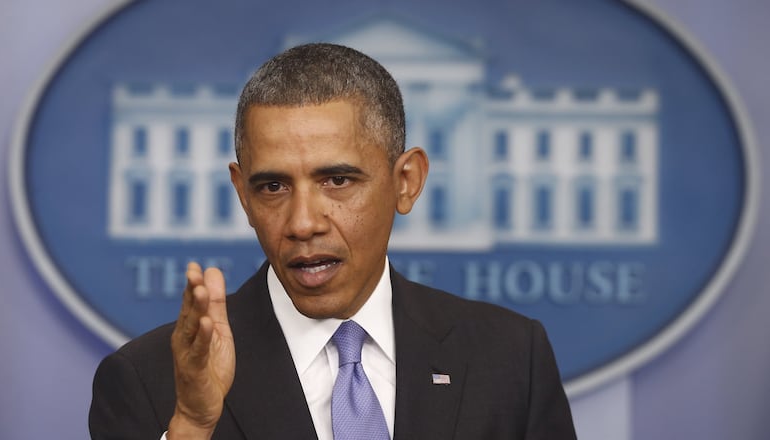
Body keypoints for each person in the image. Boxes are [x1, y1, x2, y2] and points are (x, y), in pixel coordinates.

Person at [89, 43, 576, 440]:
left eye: (337, 181)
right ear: (242, 195)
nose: (303, 224)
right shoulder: (148, 380)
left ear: (406, 181)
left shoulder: (511, 357)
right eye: (272, 186)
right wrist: (193, 428)